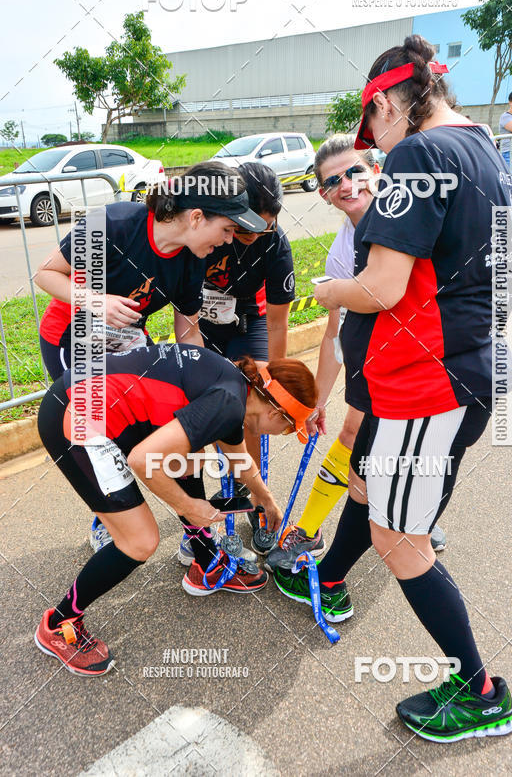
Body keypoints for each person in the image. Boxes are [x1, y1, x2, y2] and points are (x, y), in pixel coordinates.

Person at [275, 35, 512, 742]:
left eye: (370, 131)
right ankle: (330, 574)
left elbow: (380, 287)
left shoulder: (418, 153)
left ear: (385, 104)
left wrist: (326, 291)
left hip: (430, 382)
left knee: (400, 539)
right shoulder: (482, 146)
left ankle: (481, 691)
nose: (374, 149)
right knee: (376, 496)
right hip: (466, 368)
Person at [34, 343, 316, 676]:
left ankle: (206, 561)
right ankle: (59, 622)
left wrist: (266, 499)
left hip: (84, 397)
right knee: (140, 541)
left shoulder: (237, 387)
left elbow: (239, 458)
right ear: (274, 413)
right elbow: (143, 461)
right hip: (78, 415)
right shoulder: (227, 404)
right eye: (287, 428)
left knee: (189, 459)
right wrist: (189, 506)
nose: (282, 434)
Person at [34, 162, 265, 552]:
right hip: (72, 338)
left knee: (170, 434)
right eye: (227, 229)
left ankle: (197, 541)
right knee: (103, 435)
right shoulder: (115, 222)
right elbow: (45, 274)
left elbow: (188, 332)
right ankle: (109, 515)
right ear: (196, 217)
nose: (228, 241)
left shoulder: (194, 257)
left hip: (125, 339)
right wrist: (96, 302)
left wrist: (204, 392)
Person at [265, 135, 446, 573]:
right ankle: (403, 520)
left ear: (376, 172)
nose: (348, 185)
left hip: (432, 360)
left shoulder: (409, 218)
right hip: (380, 362)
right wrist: (315, 401)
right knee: (360, 437)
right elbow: (333, 335)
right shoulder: (342, 252)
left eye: (355, 172)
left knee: (384, 443)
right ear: (325, 195)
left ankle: (325, 532)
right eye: (334, 181)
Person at [178, 161, 296, 561]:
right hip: (199, 322)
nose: (253, 235)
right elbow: (181, 306)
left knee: (254, 408)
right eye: (244, 227)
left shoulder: (274, 242)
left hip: (247, 322)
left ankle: (253, 496)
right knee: (205, 410)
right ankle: (199, 515)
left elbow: (279, 325)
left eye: (264, 227)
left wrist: (274, 383)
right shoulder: (210, 228)